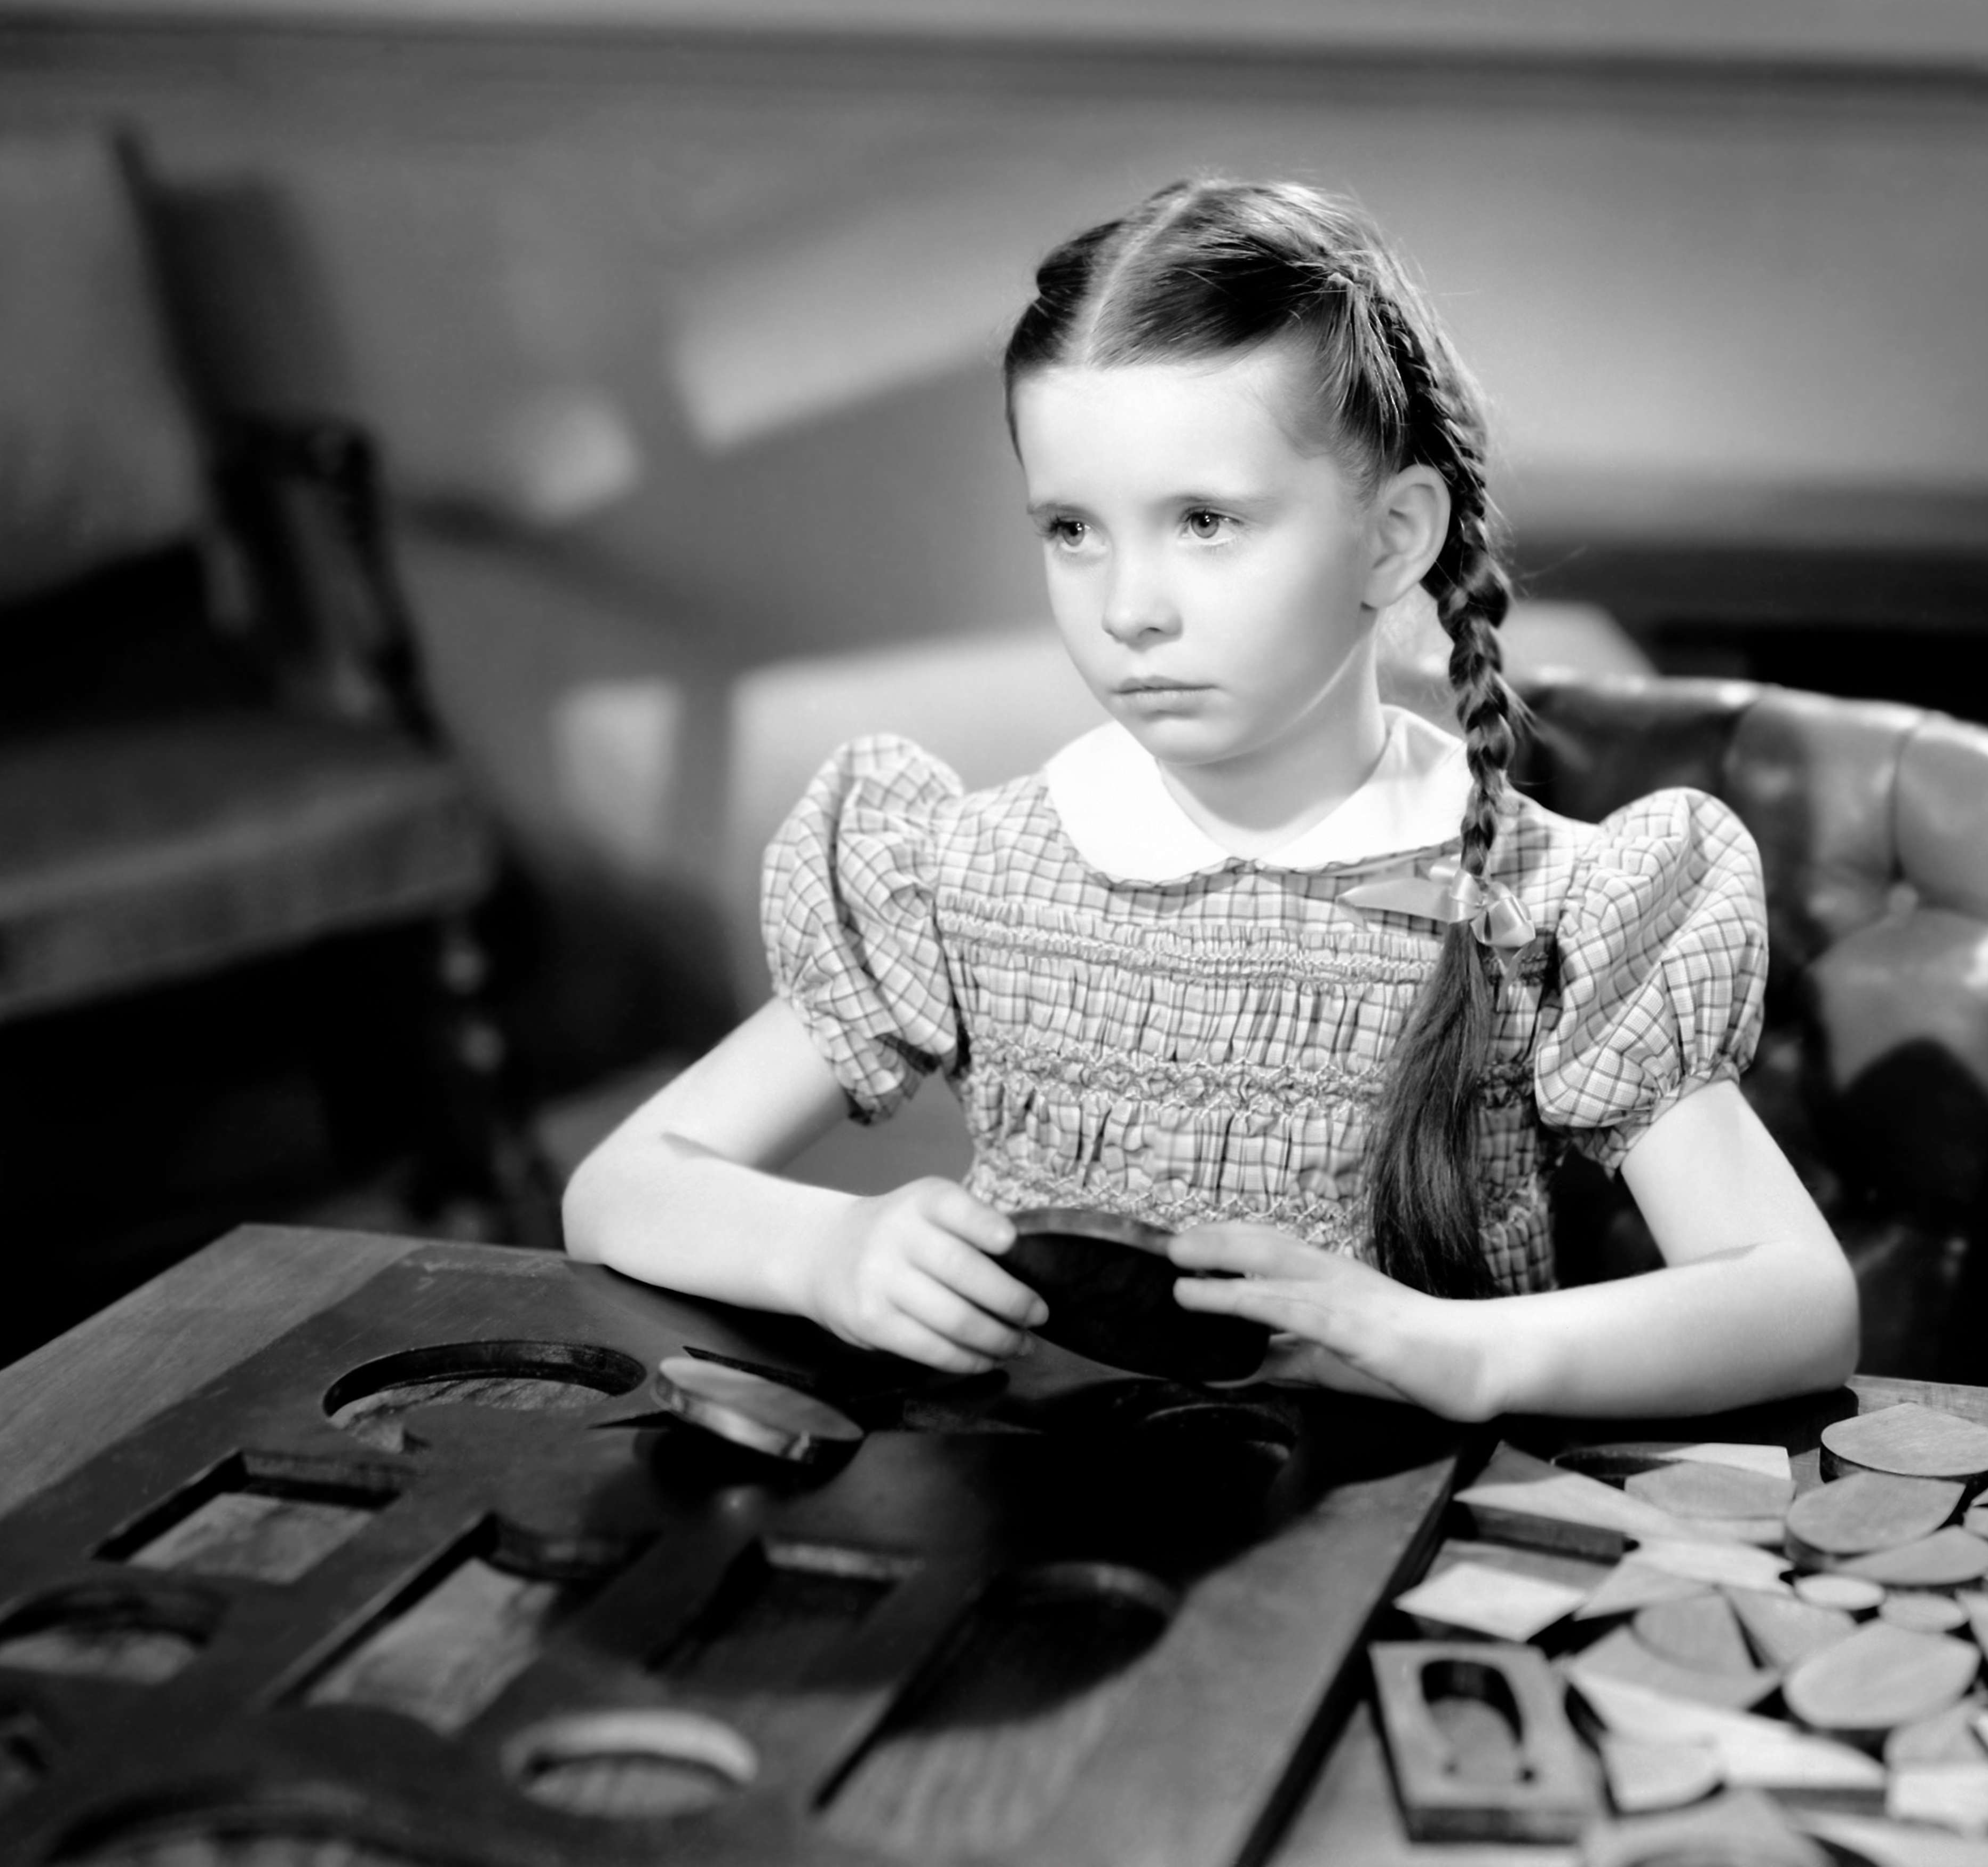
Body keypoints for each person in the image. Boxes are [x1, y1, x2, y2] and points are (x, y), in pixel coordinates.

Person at [563, 180, 1858, 1420]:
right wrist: (829, 1249)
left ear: (1393, 537)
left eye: (1204, 522)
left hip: (1397, 1565)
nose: (1129, 606)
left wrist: (1454, 1351)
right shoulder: (968, 872)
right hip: (1037, 1551)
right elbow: (620, 1189)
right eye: (1072, 530)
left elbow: (1797, 1306)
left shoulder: (1547, 909)